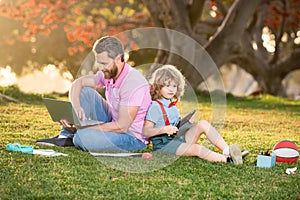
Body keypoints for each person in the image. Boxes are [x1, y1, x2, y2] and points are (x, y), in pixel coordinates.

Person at [37, 36, 152, 152]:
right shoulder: (109, 73)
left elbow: (122, 126)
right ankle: (65, 136)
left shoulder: (132, 82)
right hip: (112, 122)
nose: (101, 68)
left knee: (81, 138)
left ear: (118, 59)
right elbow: (78, 83)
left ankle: (77, 135)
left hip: (131, 137)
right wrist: (76, 109)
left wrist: (86, 127)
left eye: (104, 63)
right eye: (99, 63)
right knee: (84, 91)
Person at [143, 65, 243, 165]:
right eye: (167, 85)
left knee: (203, 124)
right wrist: (164, 129)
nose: (171, 89)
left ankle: (227, 151)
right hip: (165, 145)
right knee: (197, 149)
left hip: (178, 138)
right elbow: (146, 131)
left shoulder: (171, 104)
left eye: (174, 86)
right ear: (158, 86)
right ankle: (228, 160)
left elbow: (176, 126)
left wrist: (187, 123)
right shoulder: (156, 106)